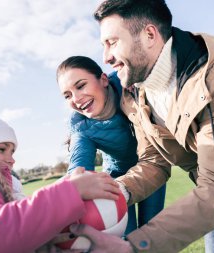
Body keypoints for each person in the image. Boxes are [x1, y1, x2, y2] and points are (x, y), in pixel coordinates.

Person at [69, 1, 214, 252]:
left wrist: (134, 247)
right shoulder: (136, 90)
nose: (106, 57)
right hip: (211, 185)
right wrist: (118, 191)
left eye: (112, 42)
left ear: (149, 35)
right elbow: (154, 162)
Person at [0, 102, 120, 253]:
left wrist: (37, 241)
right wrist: (72, 190)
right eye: (2, 149)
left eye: (12, 151)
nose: (11, 159)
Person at [56, 55, 166, 234]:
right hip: (114, 179)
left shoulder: (128, 84)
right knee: (125, 238)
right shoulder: (81, 128)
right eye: (67, 95)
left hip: (153, 166)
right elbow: (78, 170)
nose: (75, 98)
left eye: (81, 85)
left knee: (153, 233)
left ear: (103, 80)